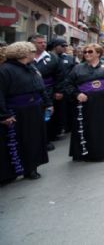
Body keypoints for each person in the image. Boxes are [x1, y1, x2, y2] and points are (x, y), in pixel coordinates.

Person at [0, 42, 51, 182]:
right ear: (23, 54)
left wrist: (48, 103)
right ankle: (12, 171)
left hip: (34, 109)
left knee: (34, 140)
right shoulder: (5, 70)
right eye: (32, 52)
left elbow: (40, 88)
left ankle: (31, 168)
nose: (34, 54)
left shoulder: (31, 68)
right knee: (15, 142)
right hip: (16, 111)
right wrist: (4, 114)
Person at [66, 44, 104, 161]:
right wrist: (77, 94)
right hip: (87, 104)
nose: (87, 54)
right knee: (89, 127)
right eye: (85, 52)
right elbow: (68, 84)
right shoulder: (78, 68)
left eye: (90, 52)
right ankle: (88, 152)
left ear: (98, 53)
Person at [29, 34, 64, 150]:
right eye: (40, 42)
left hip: (48, 91)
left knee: (47, 116)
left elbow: (59, 75)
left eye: (44, 42)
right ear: (32, 44)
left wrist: (58, 90)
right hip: (29, 93)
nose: (43, 44)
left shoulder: (52, 57)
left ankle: (46, 140)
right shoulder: (27, 57)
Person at [49, 38, 76, 134]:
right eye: (62, 46)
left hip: (67, 89)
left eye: (66, 46)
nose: (65, 48)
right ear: (55, 46)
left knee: (66, 110)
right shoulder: (49, 58)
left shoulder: (69, 58)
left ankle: (66, 127)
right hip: (52, 89)